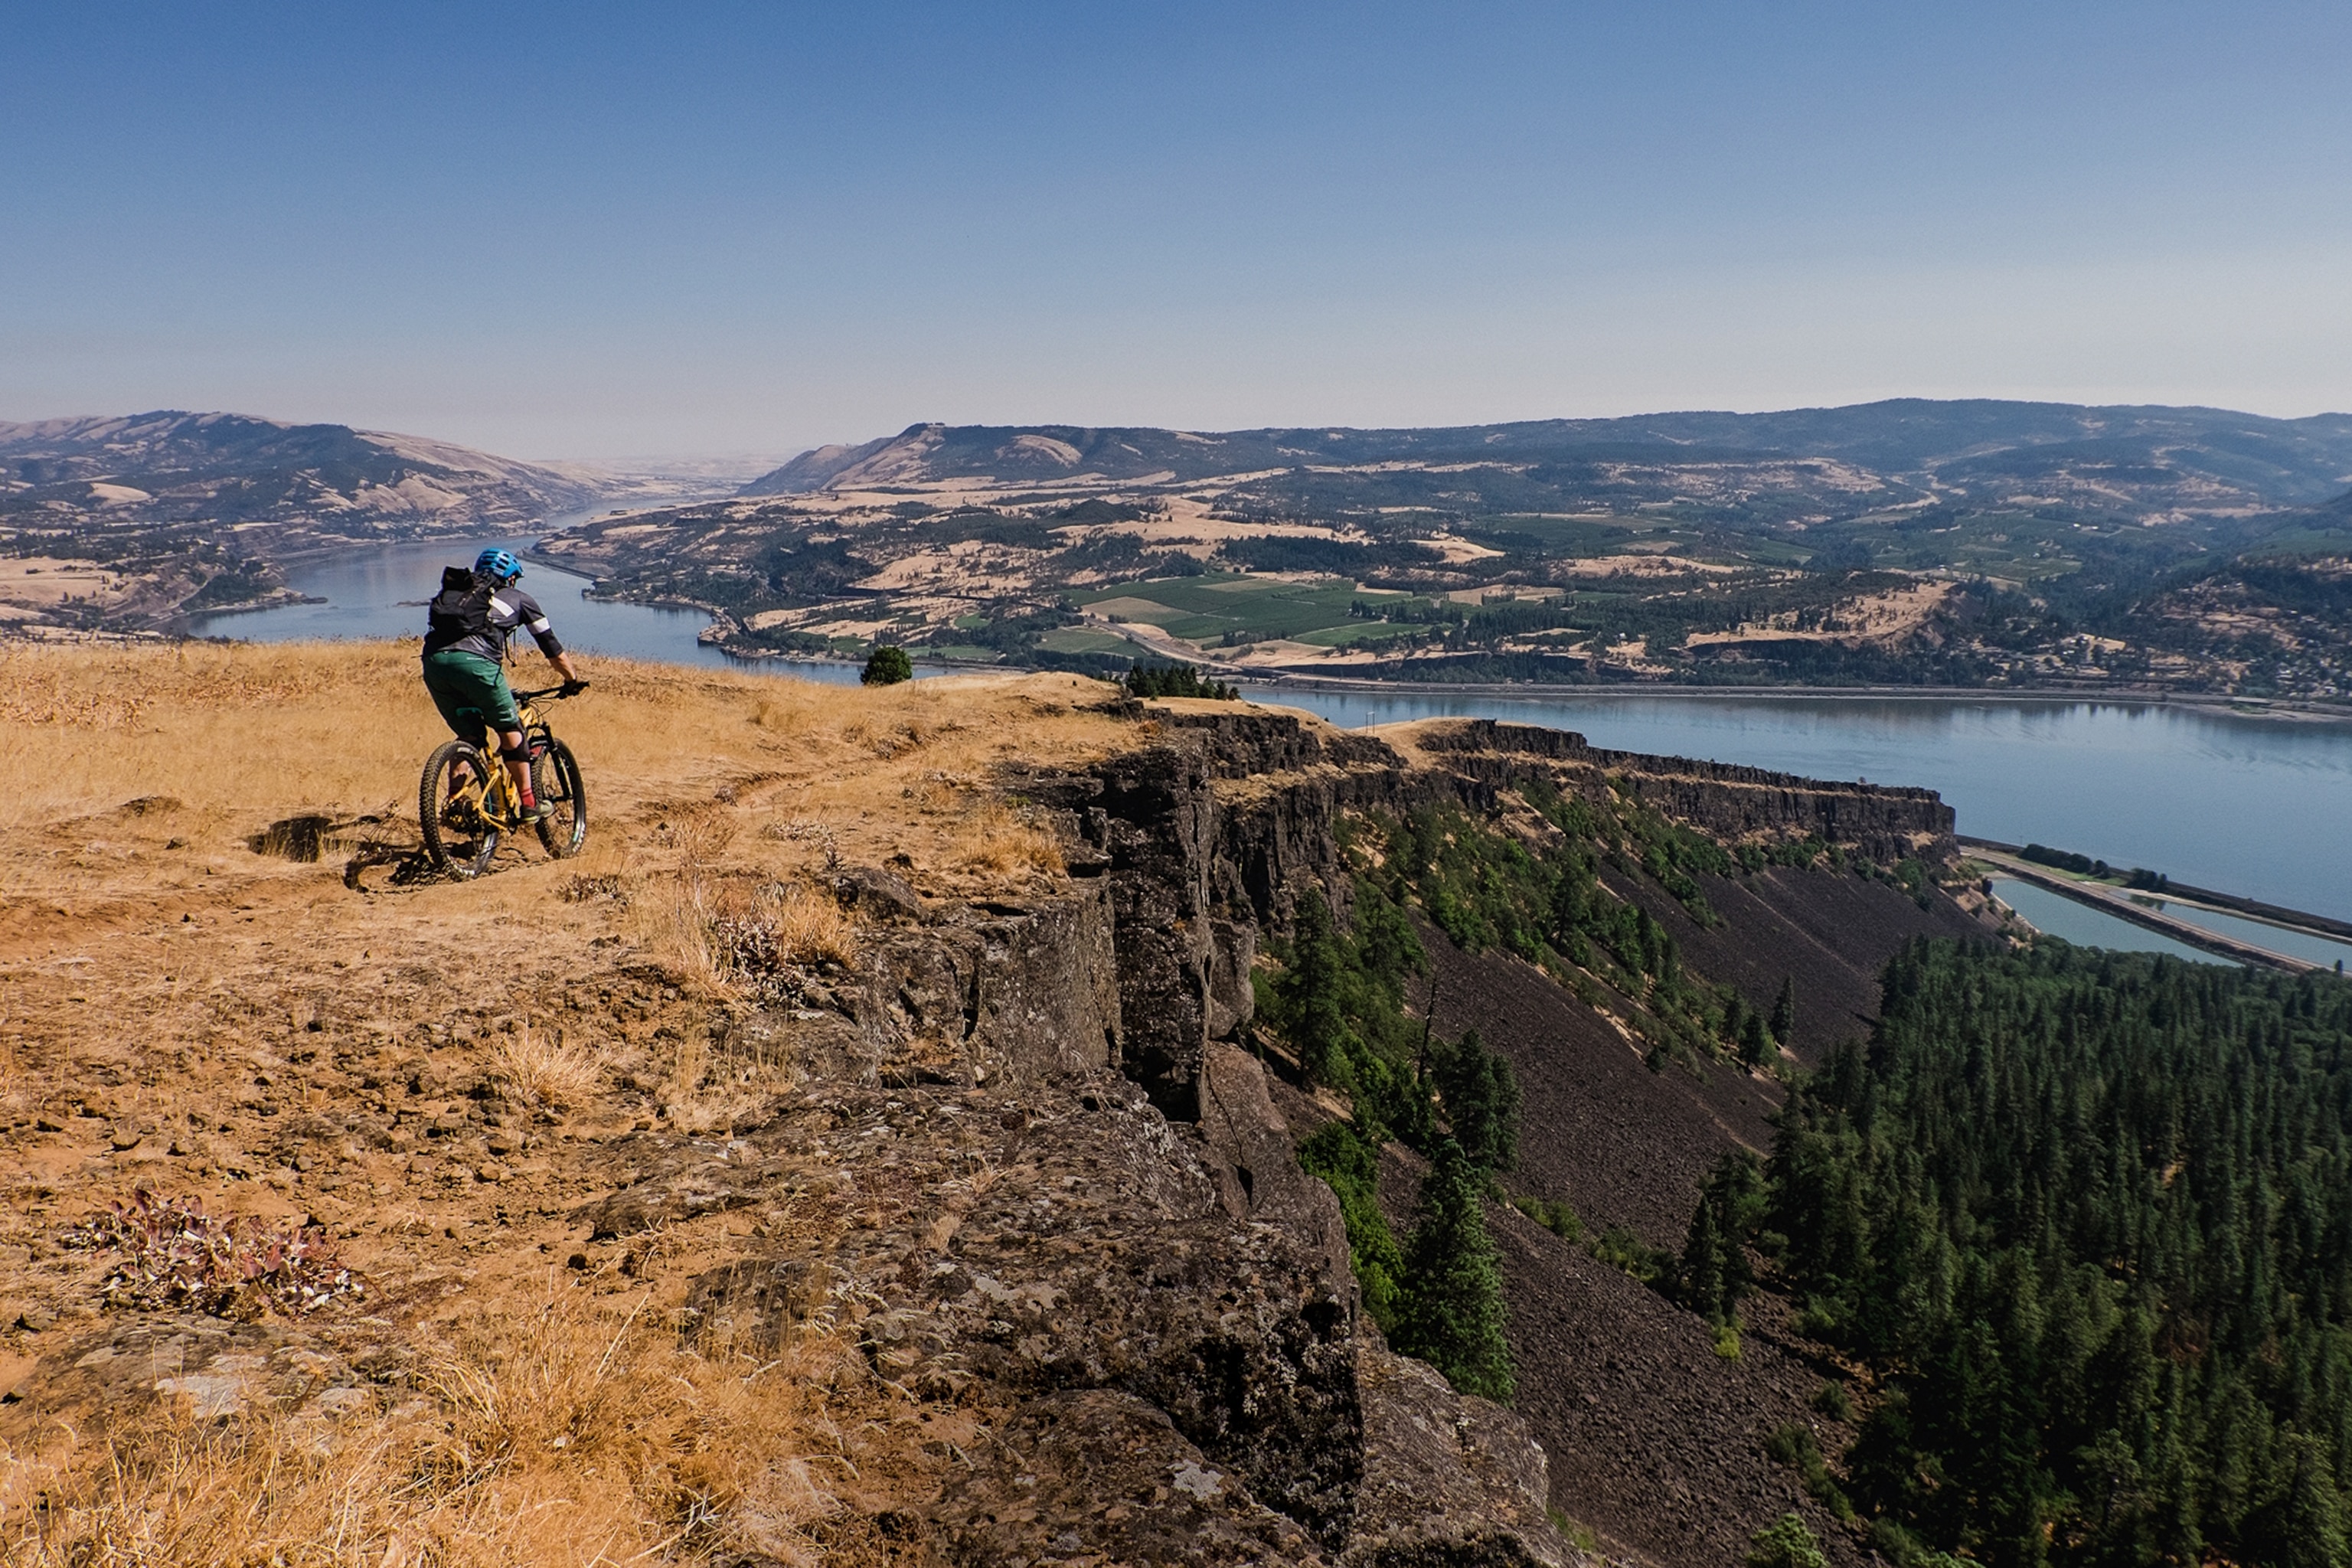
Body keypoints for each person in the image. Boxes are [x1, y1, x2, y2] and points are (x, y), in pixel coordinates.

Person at [420, 547, 586, 822]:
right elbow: (551, 647)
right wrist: (571, 680)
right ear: (511, 579)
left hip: (434, 664)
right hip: (478, 667)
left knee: (469, 738)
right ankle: (530, 804)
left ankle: (453, 803)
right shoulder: (521, 599)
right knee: (512, 730)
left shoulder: (459, 595)